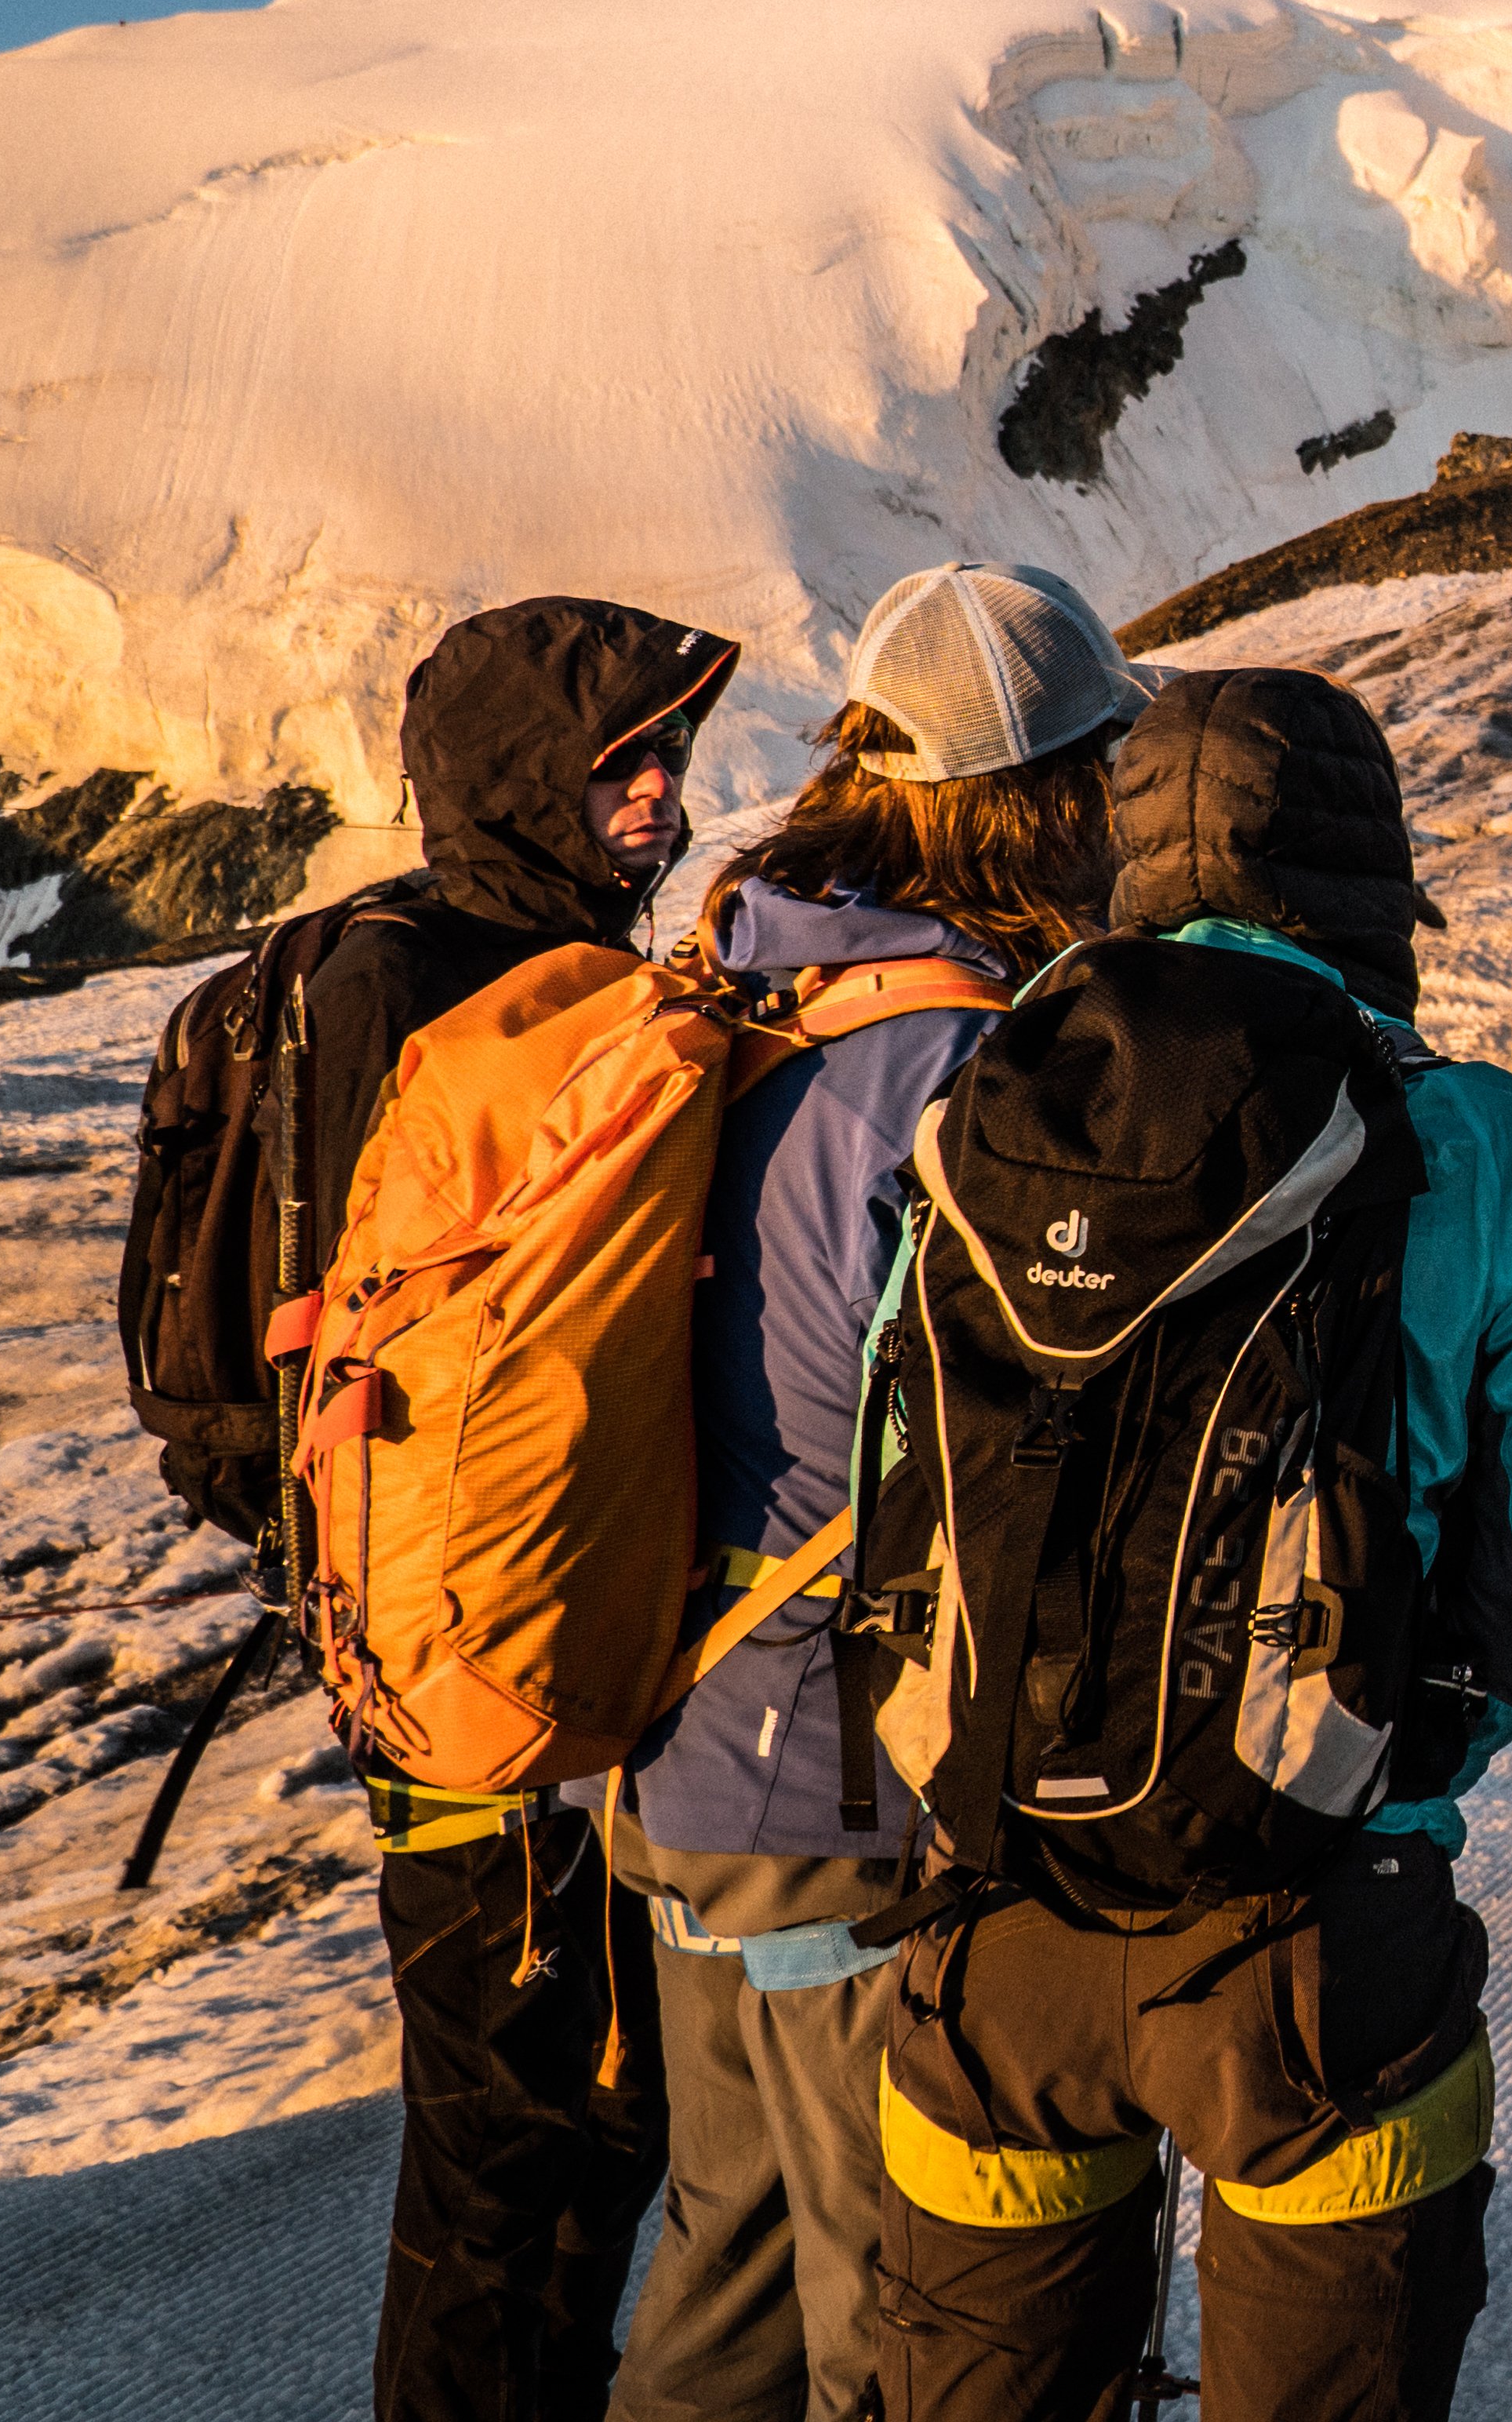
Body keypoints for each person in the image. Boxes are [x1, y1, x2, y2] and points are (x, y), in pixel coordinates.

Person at [870, 664, 1512, 2422]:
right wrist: (1393, 1747)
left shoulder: (989, 1112)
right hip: (1322, 1927)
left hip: (998, 1919)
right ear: (1372, 889)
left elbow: (893, 1458)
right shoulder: (1493, 1144)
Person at [602, 562, 1149, 2422]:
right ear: (1038, 794)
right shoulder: (960, 1062)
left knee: (724, 2285)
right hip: (837, 1770)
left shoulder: (750, 970)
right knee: (894, 2334)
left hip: (685, 1744)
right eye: (1100, 777)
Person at [311, 595, 739, 2422]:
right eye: (618, 765)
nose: (660, 797)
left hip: (531, 1624)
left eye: (667, 761)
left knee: (589, 2107)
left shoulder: (511, 959)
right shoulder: (434, 990)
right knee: (507, 2130)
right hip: (465, 1647)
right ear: (521, 783)